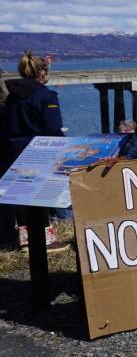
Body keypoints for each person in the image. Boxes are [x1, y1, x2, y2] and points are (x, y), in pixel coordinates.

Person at [1, 52, 65, 250]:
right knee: (41, 197)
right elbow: (53, 127)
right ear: (43, 73)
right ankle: (45, 239)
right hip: (39, 153)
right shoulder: (47, 96)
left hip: (13, 152)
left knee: (20, 196)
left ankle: (22, 238)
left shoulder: (12, 97)